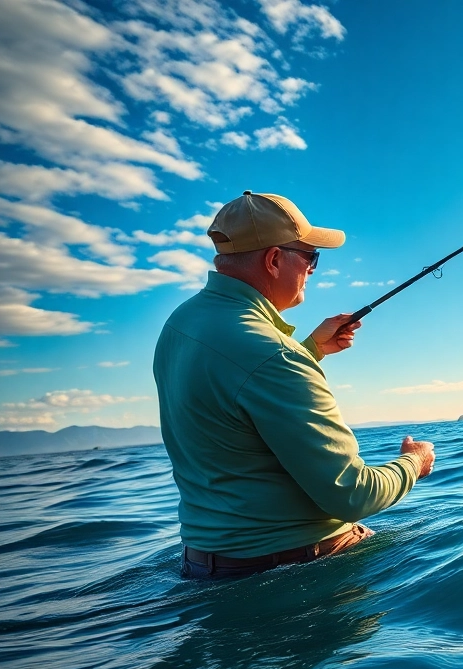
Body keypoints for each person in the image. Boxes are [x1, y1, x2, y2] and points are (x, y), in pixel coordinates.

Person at [153, 190, 435, 579]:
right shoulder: (272, 356)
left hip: (203, 565)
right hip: (292, 569)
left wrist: (310, 350)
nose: (312, 270)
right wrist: (414, 462)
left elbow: (231, 398)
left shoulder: (180, 325)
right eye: (310, 257)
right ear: (273, 260)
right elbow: (353, 494)